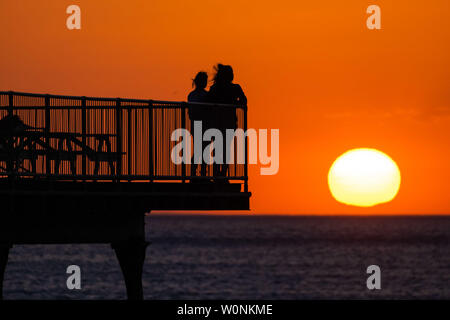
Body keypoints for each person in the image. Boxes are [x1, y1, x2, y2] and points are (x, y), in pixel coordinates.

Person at [208, 64, 247, 179]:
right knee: (225, 149)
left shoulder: (215, 88)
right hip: (226, 122)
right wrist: (234, 104)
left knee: (218, 148)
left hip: (217, 122)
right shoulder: (234, 88)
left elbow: (209, 102)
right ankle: (222, 174)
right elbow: (244, 101)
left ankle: (217, 173)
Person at [187, 72, 210, 178]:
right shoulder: (205, 95)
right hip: (201, 125)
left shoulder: (192, 95)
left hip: (200, 125)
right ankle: (200, 173)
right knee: (201, 150)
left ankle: (197, 172)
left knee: (200, 149)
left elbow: (190, 112)